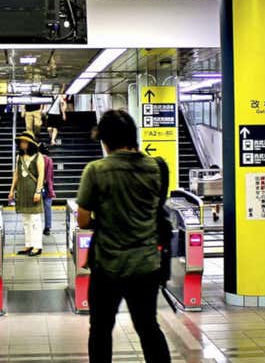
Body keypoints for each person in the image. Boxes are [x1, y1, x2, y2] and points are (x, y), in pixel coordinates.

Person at [77, 109, 171, 363]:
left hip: (108, 265)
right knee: (148, 327)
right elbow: (157, 207)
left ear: (105, 140)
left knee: (100, 330)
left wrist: (104, 217)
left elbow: (83, 219)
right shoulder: (155, 167)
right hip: (146, 264)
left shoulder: (96, 170)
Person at [9, 131, 45, 256]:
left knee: (35, 220)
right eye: (21, 141)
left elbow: (41, 175)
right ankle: (28, 244)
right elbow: (16, 174)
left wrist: (38, 191)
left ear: (30, 143)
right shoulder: (19, 157)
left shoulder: (38, 156)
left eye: (24, 141)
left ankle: (37, 246)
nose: (22, 143)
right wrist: (12, 190)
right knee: (26, 220)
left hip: (33, 191)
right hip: (22, 191)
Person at [38, 142, 56, 236]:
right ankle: (47, 228)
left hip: (37, 187)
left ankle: (35, 227)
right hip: (47, 187)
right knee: (47, 208)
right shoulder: (49, 160)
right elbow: (50, 177)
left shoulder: (36, 159)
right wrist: (51, 189)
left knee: (35, 208)